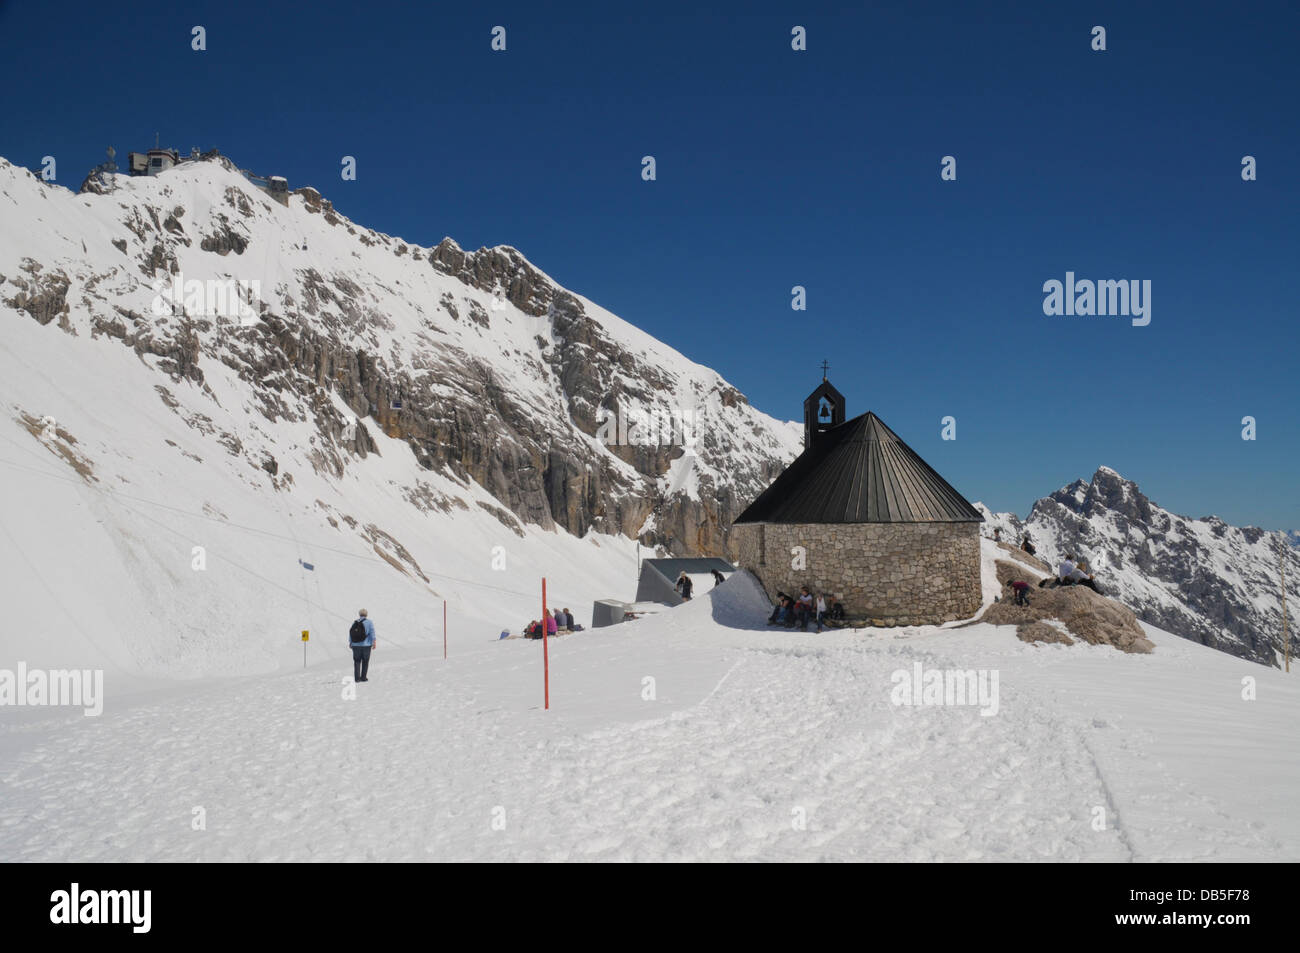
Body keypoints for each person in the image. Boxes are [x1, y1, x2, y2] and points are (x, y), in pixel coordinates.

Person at [348, 609, 376, 683]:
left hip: (355, 645)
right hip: (366, 645)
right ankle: (363, 677)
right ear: (366, 615)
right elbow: (372, 632)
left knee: (357, 661)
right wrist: (374, 642)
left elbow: (351, 633)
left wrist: (350, 642)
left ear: (359, 614)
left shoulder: (355, 622)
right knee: (365, 661)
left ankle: (357, 678)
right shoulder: (369, 622)